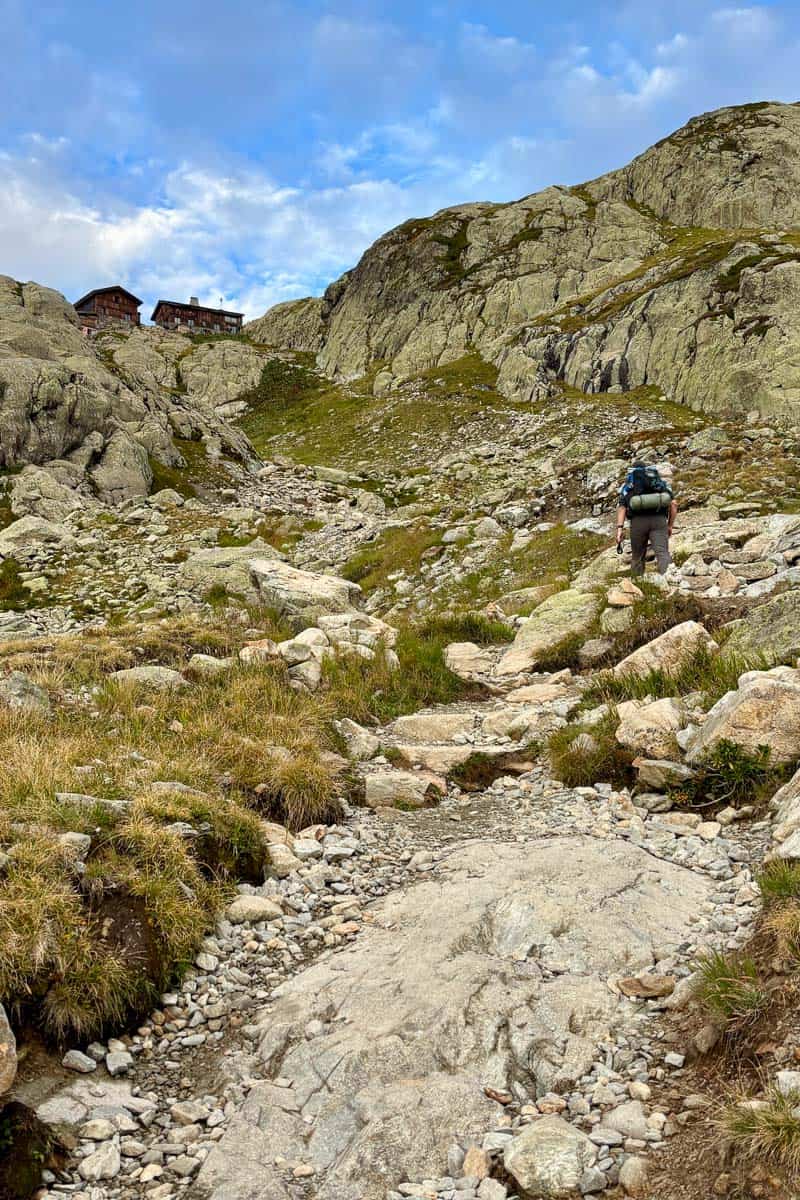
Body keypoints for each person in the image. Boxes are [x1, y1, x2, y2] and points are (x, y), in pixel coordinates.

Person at [616, 462, 678, 576]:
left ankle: (637, 585)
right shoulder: (659, 483)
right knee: (662, 553)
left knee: (637, 556)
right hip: (659, 521)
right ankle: (670, 581)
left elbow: (622, 507)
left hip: (637, 523)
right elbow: (673, 504)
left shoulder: (629, 486)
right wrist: (670, 525)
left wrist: (619, 529)